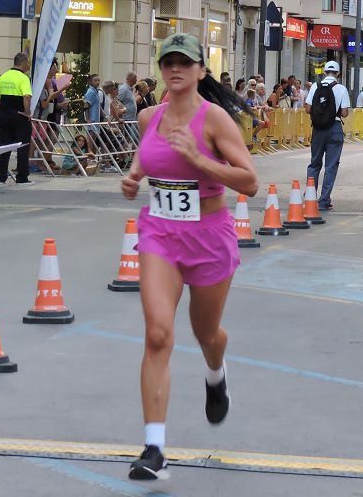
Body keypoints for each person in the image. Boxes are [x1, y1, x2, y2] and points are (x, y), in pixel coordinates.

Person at [120, 34, 257, 482]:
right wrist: (133, 176)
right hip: (160, 232)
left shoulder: (215, 119)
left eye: (184, 62)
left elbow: (249, 182)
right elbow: (147, 158)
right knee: (158, 334)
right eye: (167, 62)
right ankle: (154, 449)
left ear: (201, 70)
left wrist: (199, 158)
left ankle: (216, 372)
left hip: (209, 236)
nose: (175, 69)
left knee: (206, 333)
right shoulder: (147, 117)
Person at [305, 61, 351, 211]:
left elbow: (308, 109)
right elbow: (344, 113)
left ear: (325, 72)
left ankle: (310, 197)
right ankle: (324, 201)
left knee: (314, 163)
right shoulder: (341, 89)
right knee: (331, 165)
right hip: (335, 128)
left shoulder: (315, 86)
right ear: (338, 73)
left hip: (318, 129)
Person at [0, 53, 34, 185]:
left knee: (3, 146)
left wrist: (6, 104)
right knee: (23, 147)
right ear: (23, 63)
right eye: (28, 63)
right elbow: (26, 97)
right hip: (20, 116)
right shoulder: (23, 78)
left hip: (4, 115)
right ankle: (22, 177)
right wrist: (27, 113)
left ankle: (0, 177)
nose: (28, 66)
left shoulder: (3, 77)